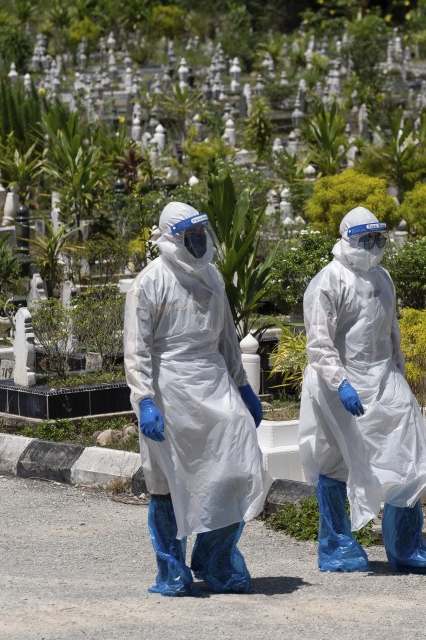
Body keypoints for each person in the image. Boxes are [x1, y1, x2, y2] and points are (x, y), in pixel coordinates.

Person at [124, 201, 271, 597]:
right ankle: (172, 570)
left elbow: (226, 339)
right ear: (173, 237)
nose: (200, 241)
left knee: (238, 468)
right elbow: (137, 352)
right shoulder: (150, 282)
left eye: (202, 233)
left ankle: (214, 559)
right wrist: (145, 401)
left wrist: (243, 387)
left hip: (213, 381)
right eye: (192, 235)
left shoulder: (212, 277)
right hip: (169, 388)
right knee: (168, 483)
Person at [300, 206, 426, 575]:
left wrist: (398, 373)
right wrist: (342, 384)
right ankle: (337, 546)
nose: (374, 245)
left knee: (410, 458)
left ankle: (407, 546)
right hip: (340, 385)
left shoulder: (383, 278)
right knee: (336, 463)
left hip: (384, 378)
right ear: (348, 240)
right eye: (366, 239)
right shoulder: (328, 282)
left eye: (378, 239)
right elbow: (320, 345)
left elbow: (391, 333)